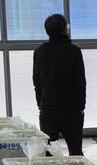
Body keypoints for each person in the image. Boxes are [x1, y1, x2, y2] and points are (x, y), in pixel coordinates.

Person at [32, 13, 86, 156]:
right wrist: (81, 106)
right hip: (71, 111)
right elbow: (80, 82)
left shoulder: (39, 52)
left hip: (48, 111)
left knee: (49, 154)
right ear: (64, 30)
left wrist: (41, 104)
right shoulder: (74, 51)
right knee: (75, 152)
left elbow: (37, 82)